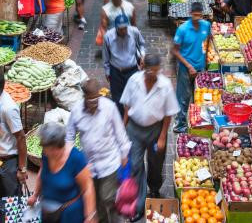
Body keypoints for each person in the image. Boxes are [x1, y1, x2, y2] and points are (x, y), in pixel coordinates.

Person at [120, 54, 179, 222]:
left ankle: (154, 188)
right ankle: (139, 207)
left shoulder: (165, 85)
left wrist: (162, 137)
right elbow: (127, 105)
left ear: (159, 70)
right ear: (142, 67)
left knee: (156, 163)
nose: (151, 74)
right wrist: (123, 128)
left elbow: (168, 114)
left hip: (155, 130)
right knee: (135, 165)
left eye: (155, 71)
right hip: (135, 129)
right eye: (148, 71)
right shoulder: (134, 80)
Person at [66, 79, 131, 223]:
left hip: (109, 163)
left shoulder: (109, 108)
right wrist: (72, 159)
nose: (94, 105)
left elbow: (120, 132)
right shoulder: (76, 111)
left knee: (109, 198)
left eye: (96, 101)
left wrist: (124, 153)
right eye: (90, 102)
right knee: (95, 202)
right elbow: (69, 137)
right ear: (84, 98)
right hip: (89, 167)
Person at [27, 124, 97, 223]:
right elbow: (42, 171)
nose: (45, 152)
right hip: (48, 211)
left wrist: (89, 216)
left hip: (70, 214)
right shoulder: (46, 153)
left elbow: (88, 188)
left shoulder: (76, 158)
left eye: (48, 149)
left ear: (57, 147)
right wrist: (35, 195)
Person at [172, 2, 211, 133]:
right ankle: (180, 125)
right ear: (190, 14)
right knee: (183, 97)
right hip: (185, 68)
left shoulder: (206, 25)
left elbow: (207, 41)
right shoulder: (182, 29)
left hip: (200, 68)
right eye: (194, 15)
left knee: (198, 98)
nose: (197, 18)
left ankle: (197, 126)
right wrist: (189, 66)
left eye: (199, 16)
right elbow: (175, 51)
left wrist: (205, 62)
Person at [103, 18, 146, 115]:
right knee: (117, 98)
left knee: (134, 94)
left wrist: (143, 55)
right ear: (116, 28)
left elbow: (142, 44)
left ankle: (133, 117)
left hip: (132, 70)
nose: (123, 31)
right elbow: (106, 55)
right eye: (120, 29)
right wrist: (107, 71)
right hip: (116, 71)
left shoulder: (134, 32)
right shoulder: (108, 36)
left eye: (125, 28)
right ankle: (121, 118)